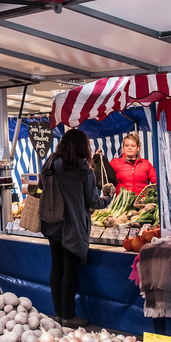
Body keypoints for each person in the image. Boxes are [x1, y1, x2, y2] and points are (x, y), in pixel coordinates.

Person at [40, 129, 110, 328]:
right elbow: (93, 202)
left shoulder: (51, 164)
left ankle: (59, 313)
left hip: (52, 223)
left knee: (57, 266)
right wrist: (107, 198)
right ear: (83, 147)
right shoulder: (84, 171)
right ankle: (69, 315)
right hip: (72, 225)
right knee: (70, 270)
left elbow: (41, 186)